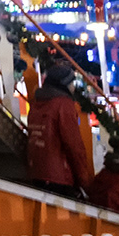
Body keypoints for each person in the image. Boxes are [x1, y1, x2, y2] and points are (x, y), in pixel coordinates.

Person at [26, 55, 94, 197]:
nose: (73, 87)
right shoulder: (64, 105)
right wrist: (84, 181)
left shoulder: (37, 103)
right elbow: (73, 144)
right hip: (59, 176)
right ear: (64, 84)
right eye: (72, 83)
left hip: (37, 171)